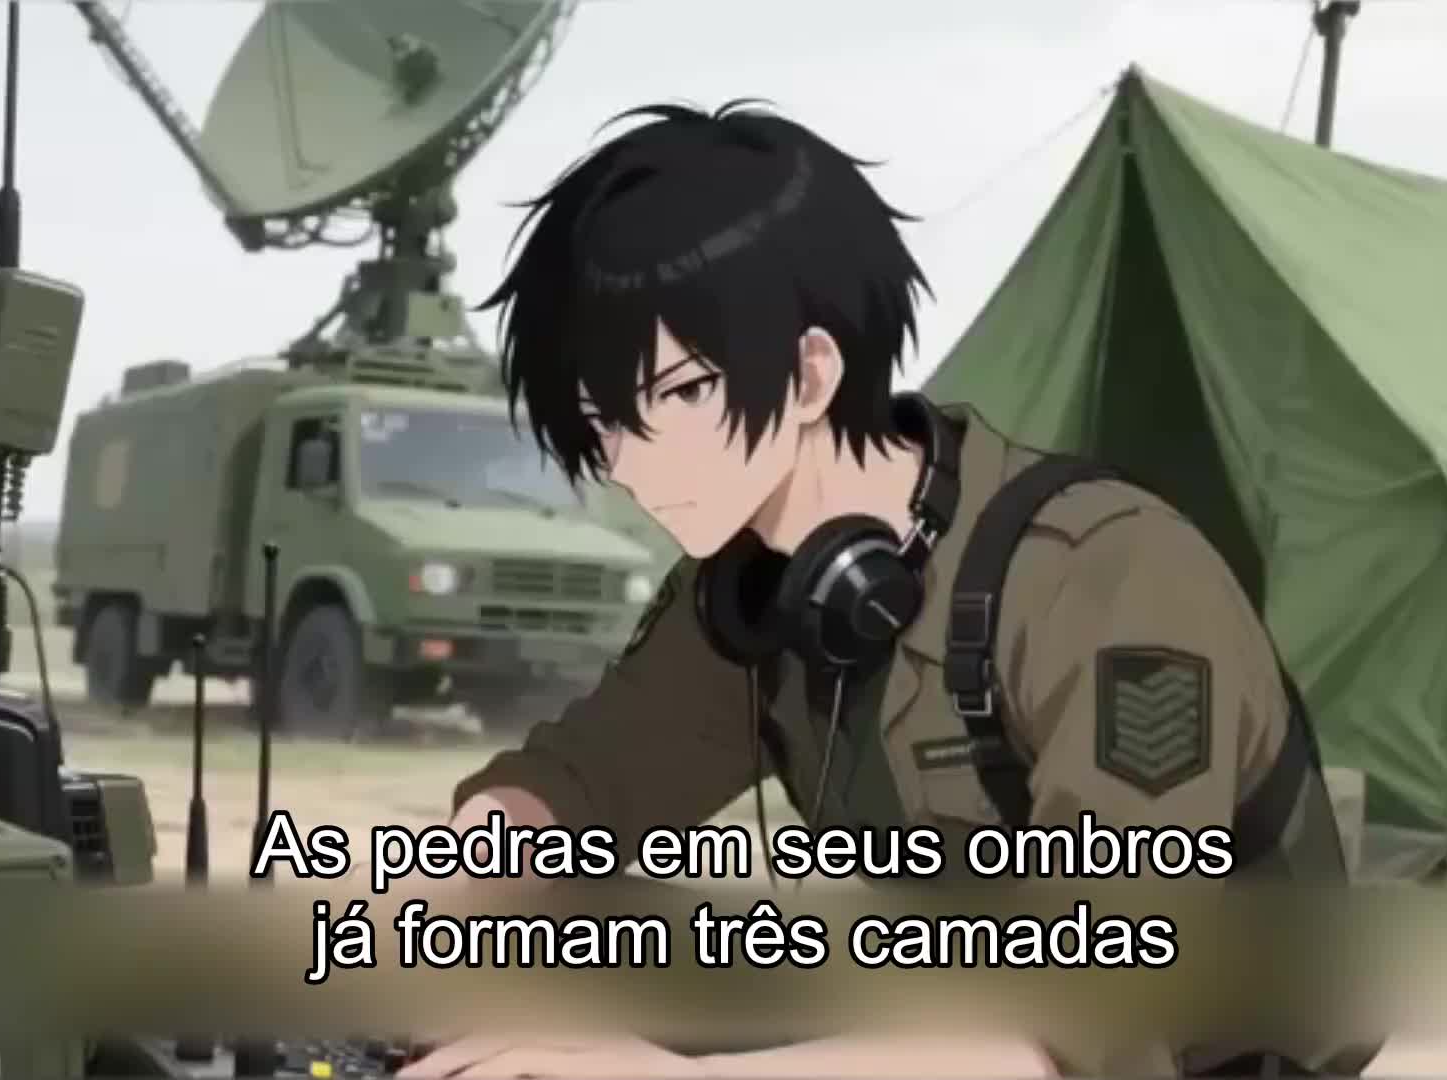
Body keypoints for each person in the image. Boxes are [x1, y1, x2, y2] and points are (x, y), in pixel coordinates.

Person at [400, 101, 1359, 1078]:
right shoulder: (747, 590)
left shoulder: (1116, 575)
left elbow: (1079, 1021)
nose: (630, 463)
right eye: (605, 421)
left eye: (676, 395)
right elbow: (585, 781)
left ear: (811, 373)